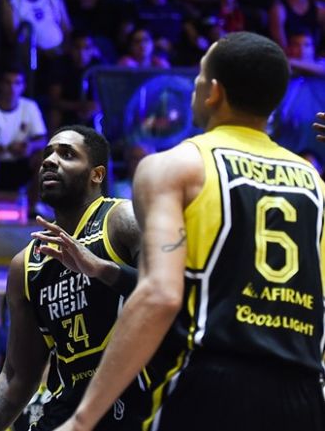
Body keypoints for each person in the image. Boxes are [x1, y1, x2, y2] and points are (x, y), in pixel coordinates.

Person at [53, 33, 325, 431]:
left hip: (210, 381)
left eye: (199, 76)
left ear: (213, 92)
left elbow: (160, 295)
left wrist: (82, 419)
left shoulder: (173, 167)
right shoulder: (315, 183)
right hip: (303, 390)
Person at [0, 125, 145, 431]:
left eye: (67, 154)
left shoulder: (122, 219)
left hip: (136, 403)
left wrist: (100, 268)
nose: (49, 160)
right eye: (47, 154)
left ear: (96, 175)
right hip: (67, 411)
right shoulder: (26, 264)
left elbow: (172, 293)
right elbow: (17, 379)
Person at [0, 68, 48, 214]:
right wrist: (7, 149)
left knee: (43, 155)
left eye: (17, 83)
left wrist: (30, 146)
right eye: (7, 82)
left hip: (20, 166)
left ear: (23, 86)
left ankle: (34, 207)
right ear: (0, 84)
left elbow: (42, 139)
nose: (12, 88)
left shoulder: (30, 107)